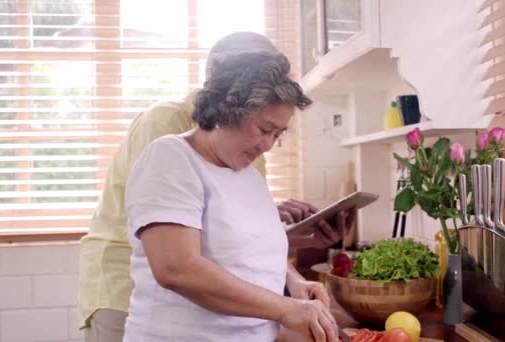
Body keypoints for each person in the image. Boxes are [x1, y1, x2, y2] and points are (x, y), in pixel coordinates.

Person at [78, 32, 355, 341]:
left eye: (277, 135)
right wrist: (284, 308)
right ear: (229, 105)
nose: (267, 144)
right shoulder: (169, 150)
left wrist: (291, 283)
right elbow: (175, 267)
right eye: (265, 129)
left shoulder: (245, 167)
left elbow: (240, 250)